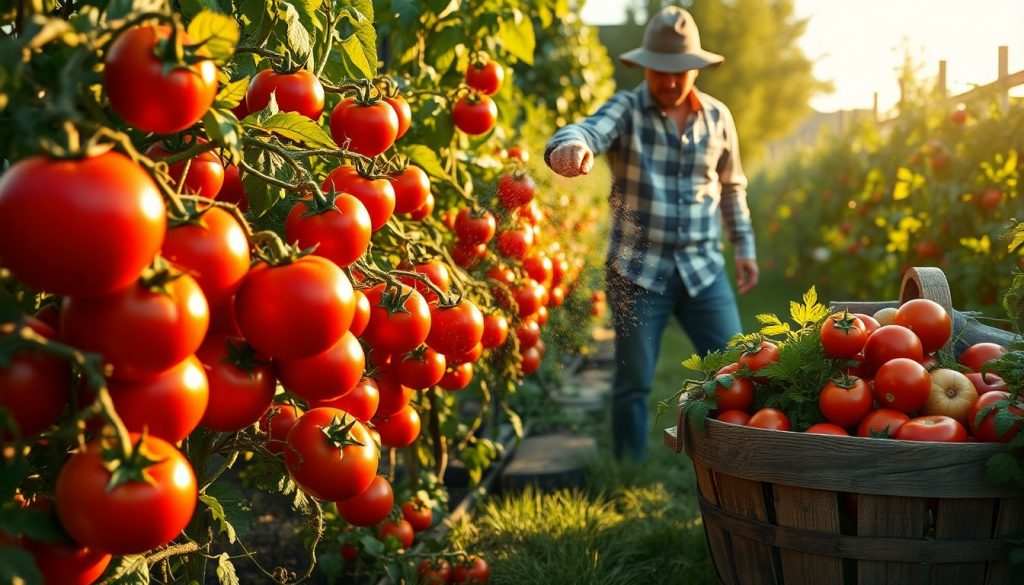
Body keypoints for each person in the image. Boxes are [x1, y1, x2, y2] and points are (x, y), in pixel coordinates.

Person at [544, 6, 759, 460]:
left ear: (696, 68)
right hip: (637, 271)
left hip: (703, 269)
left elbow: (731, 187)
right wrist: (571, 145)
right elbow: (588, 130)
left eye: (680, 71)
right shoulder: (626, 110)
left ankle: (736, 460)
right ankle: (628, 466)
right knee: (634, 381)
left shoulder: (718, 117)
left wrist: (743, 246)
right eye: (661, 70)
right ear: (645, 67)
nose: (671, 81)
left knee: (736, 373)